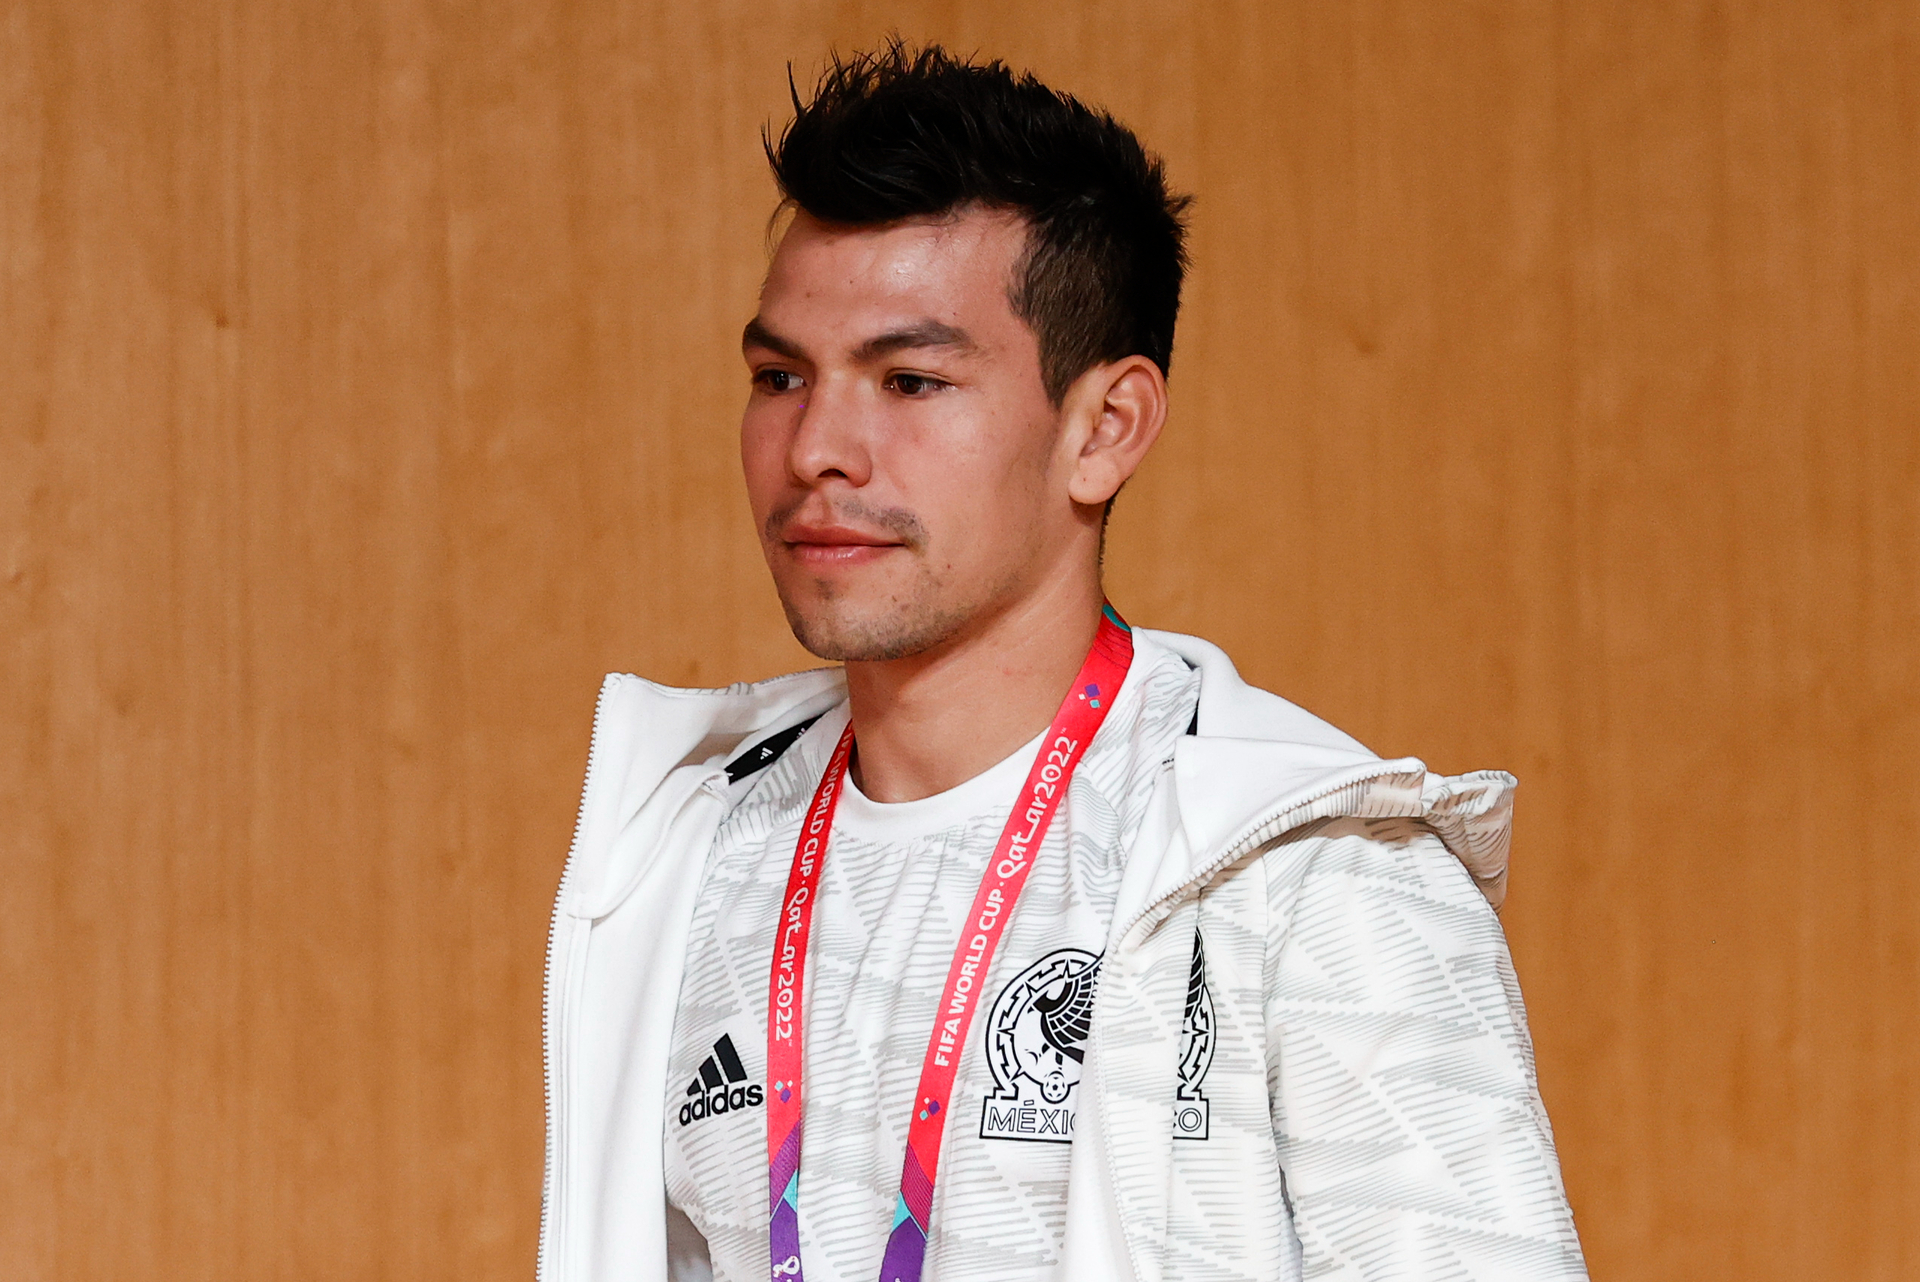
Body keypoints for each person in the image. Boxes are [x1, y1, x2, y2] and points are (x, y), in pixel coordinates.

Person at [538, 41, 1587, 1282]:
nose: (817, 447)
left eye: (910, 379)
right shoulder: (682, 853)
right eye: (780, 376)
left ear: (1105, 429)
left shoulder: (1316, 874)